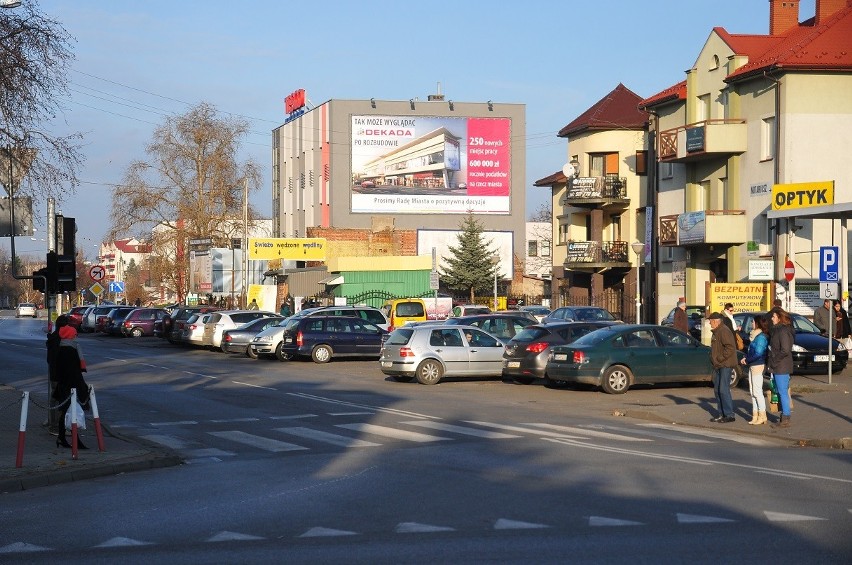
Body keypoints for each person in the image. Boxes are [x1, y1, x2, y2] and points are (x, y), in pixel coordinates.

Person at [53, 325, 90, 449]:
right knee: (71, 413)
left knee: (66, 412)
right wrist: (81, 388)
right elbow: (74, 372)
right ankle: (74, 441)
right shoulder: (70, 350)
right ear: (69, 336)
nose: (76, 337)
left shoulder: (63, 348)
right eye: (74, 334)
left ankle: (63, 438)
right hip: (70, 387)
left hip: (65, 386)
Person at [767, 307, 795, 428]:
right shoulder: (777, 330)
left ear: (779, 318)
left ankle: (786, 418)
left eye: (773, 316)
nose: (772, 319)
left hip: (781, 365)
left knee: (783, 392)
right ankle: (784, 416)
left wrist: (774, 360)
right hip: (778, 365)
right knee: (780, 391)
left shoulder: (783, 331)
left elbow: (785, 350)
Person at [708, 312, 738, 423]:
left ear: (716, 321)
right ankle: (721, 414)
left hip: (725, 364)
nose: (709, 323)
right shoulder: (716, 331)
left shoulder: (724, 331)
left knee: (723, 389)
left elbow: (730, 348)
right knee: (717, 390)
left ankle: (729, 414)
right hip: (718, 365)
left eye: (710, 321)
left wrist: (719, 358)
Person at [740, 314, 769, 425]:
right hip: (753, 364)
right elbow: (752, 352)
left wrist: (747, 360)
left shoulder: (761, 337)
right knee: (752, 391)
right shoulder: (755, 336)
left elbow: (758, 353)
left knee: (757, 391)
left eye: (753, 322)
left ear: (757, 323)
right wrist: (746, 358)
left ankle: (762, 415)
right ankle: (755, 415)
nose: (751, 323)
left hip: (758, 365)